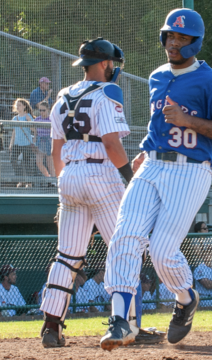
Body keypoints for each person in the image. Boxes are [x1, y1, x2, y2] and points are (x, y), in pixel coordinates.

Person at [101, 8, 212, 350]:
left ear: (196, 42)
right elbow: (157, 124)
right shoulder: (157, 76)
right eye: (170, 36)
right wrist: (145, 149)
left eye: (182, 37)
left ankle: (186, 297)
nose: (174, 43)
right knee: (125, 236)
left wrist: (188, 121)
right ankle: (121, 321)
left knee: (162, 251)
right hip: (152, 166)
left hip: (189, 171)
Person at [39, 37, 134, 349]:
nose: (113, 68)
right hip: (101, 174)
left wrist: (63, 190)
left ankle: (51, 326)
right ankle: (126, 325)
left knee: (67, 256)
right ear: (104, 63)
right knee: (123, 249)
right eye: (112, 63)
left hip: (69, 175)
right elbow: (111, 144)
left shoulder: (61, 96)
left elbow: (56, 151)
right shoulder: (108, 92)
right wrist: (131, 181)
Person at [9, 98, 35, 188]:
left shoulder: (28, 116)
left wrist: (29, 120)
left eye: (19, 105)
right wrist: (11, 144)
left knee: (27, 162)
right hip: (17, 143)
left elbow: (33, 129)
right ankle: (21, 179)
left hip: (26, 143)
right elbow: (14, 132)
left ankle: (29, 182)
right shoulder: (14, 118)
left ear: (24, 106)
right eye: (17, 105)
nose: (18, 107)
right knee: (12, 160)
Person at [34, 101, 55, 179]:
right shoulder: (37, 119)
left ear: (48, 110)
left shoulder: (51, 119)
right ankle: (48, 177)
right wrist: (34, 142)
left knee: (50, 163)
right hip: (40, 141)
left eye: (43, 110)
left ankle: (53, 181)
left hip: (49, 141)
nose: (41, 112)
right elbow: (35, 132)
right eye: (40, 110)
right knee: (38, 162)